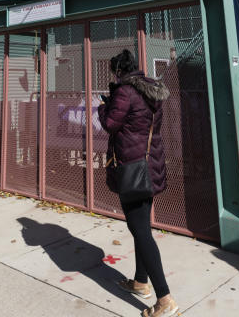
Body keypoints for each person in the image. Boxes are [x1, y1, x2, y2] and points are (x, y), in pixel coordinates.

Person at [97, 49, 178, 317]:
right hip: (150, 165)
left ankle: (165, 299)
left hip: (131, 167)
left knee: (140, 230)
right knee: (141, 227)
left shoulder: (125, 92)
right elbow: (139, 124)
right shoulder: (150, 90)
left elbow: (110, 124)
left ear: (118, 71)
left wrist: (102, 106)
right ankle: (141, 281)